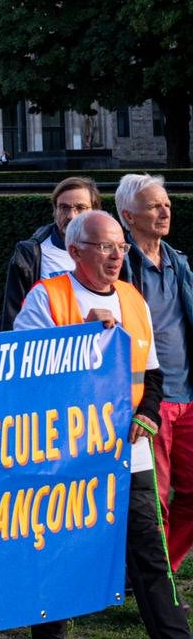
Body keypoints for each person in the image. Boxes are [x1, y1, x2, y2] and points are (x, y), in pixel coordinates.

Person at [14, 207, 193, 639]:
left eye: (119, 246)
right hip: (66, 457)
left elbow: (152, 374)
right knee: (60, 550)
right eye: (104, 246)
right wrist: (77, 338)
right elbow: (25, 371)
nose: (116, 255)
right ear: (75, 252)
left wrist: (149, 415)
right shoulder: (48, 298)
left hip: (128, 454)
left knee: (151, 560)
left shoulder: (134, 299)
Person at [118, 174, 193, 567]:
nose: (165, 211)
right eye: (154, 206)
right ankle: (153, 584)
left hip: (188, 397)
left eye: (166, 204)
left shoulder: (178, 262)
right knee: (155, 501)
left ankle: (161, 573)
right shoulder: (119, 265)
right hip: (149, 401)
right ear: (129, 216)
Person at [0, 176, 98, 332]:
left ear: (95, 210)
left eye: (80, 208)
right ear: (55, 210)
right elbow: (14, 313)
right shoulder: (31, 254)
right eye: (64, 208)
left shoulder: (112, 251)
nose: (71, 216)